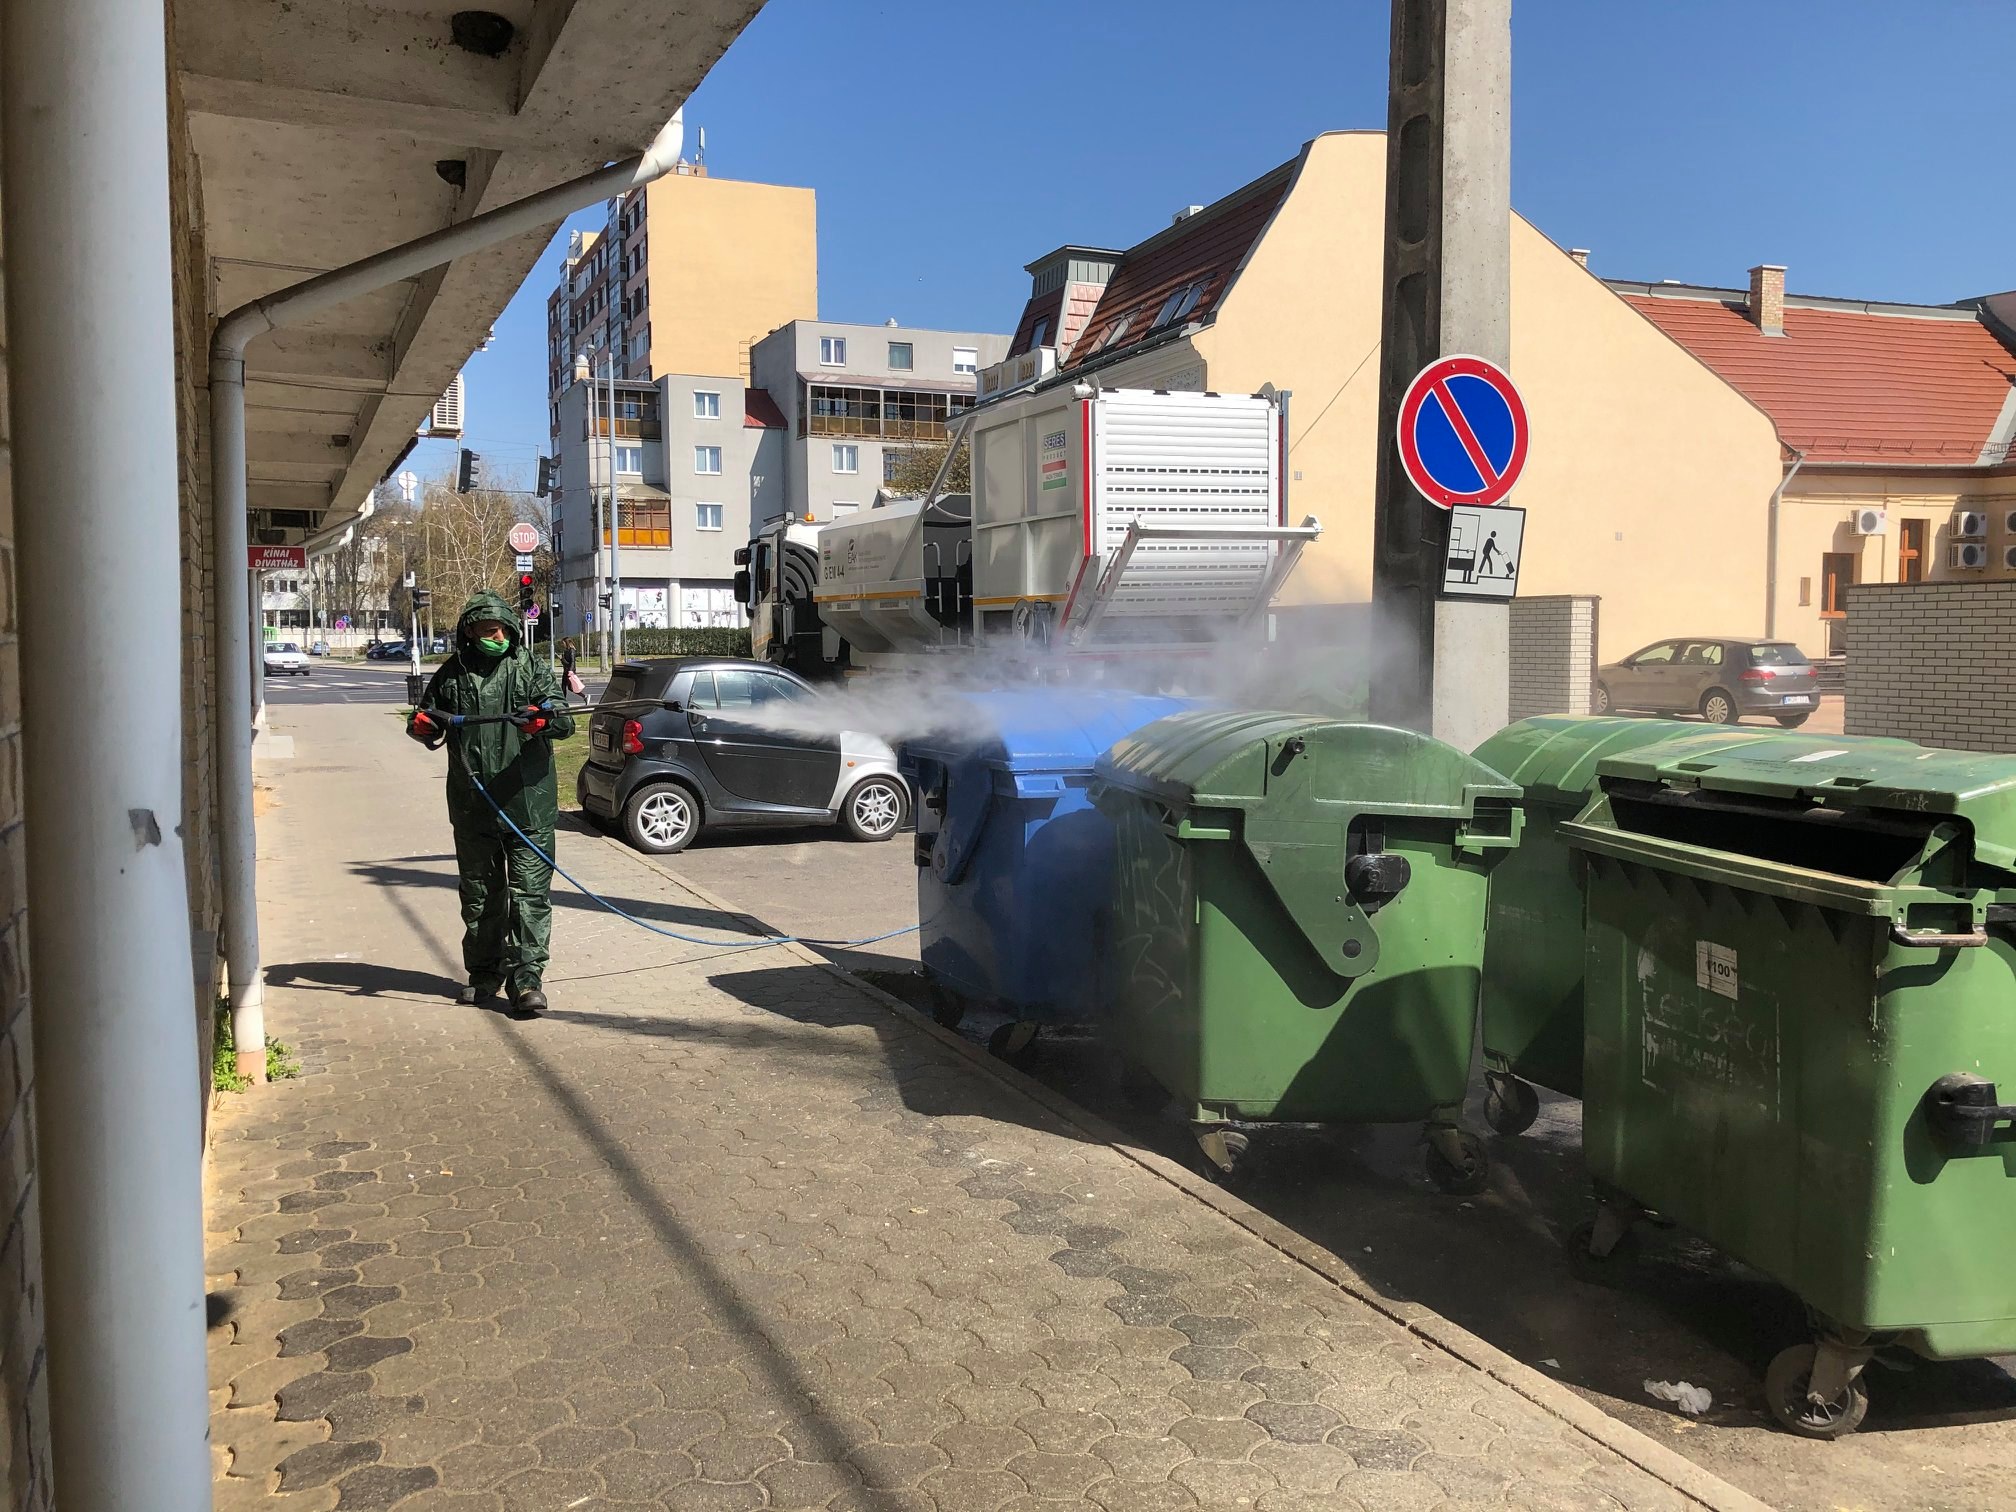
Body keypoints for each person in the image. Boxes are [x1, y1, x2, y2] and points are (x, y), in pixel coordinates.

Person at [405, 590, 576, 1016]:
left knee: (530, 897)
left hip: (528, 807)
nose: (494, 637)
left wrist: (543, 721)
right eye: (485, 631)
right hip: (473, 807)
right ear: (469, 633)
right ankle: (483, 976)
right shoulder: (451, 674)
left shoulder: (531, 669)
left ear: (511, 630)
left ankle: (526, 982)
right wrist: (422, 727)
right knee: (480, 897)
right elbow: (426, 721)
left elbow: (562, 719)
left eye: (499, 629)